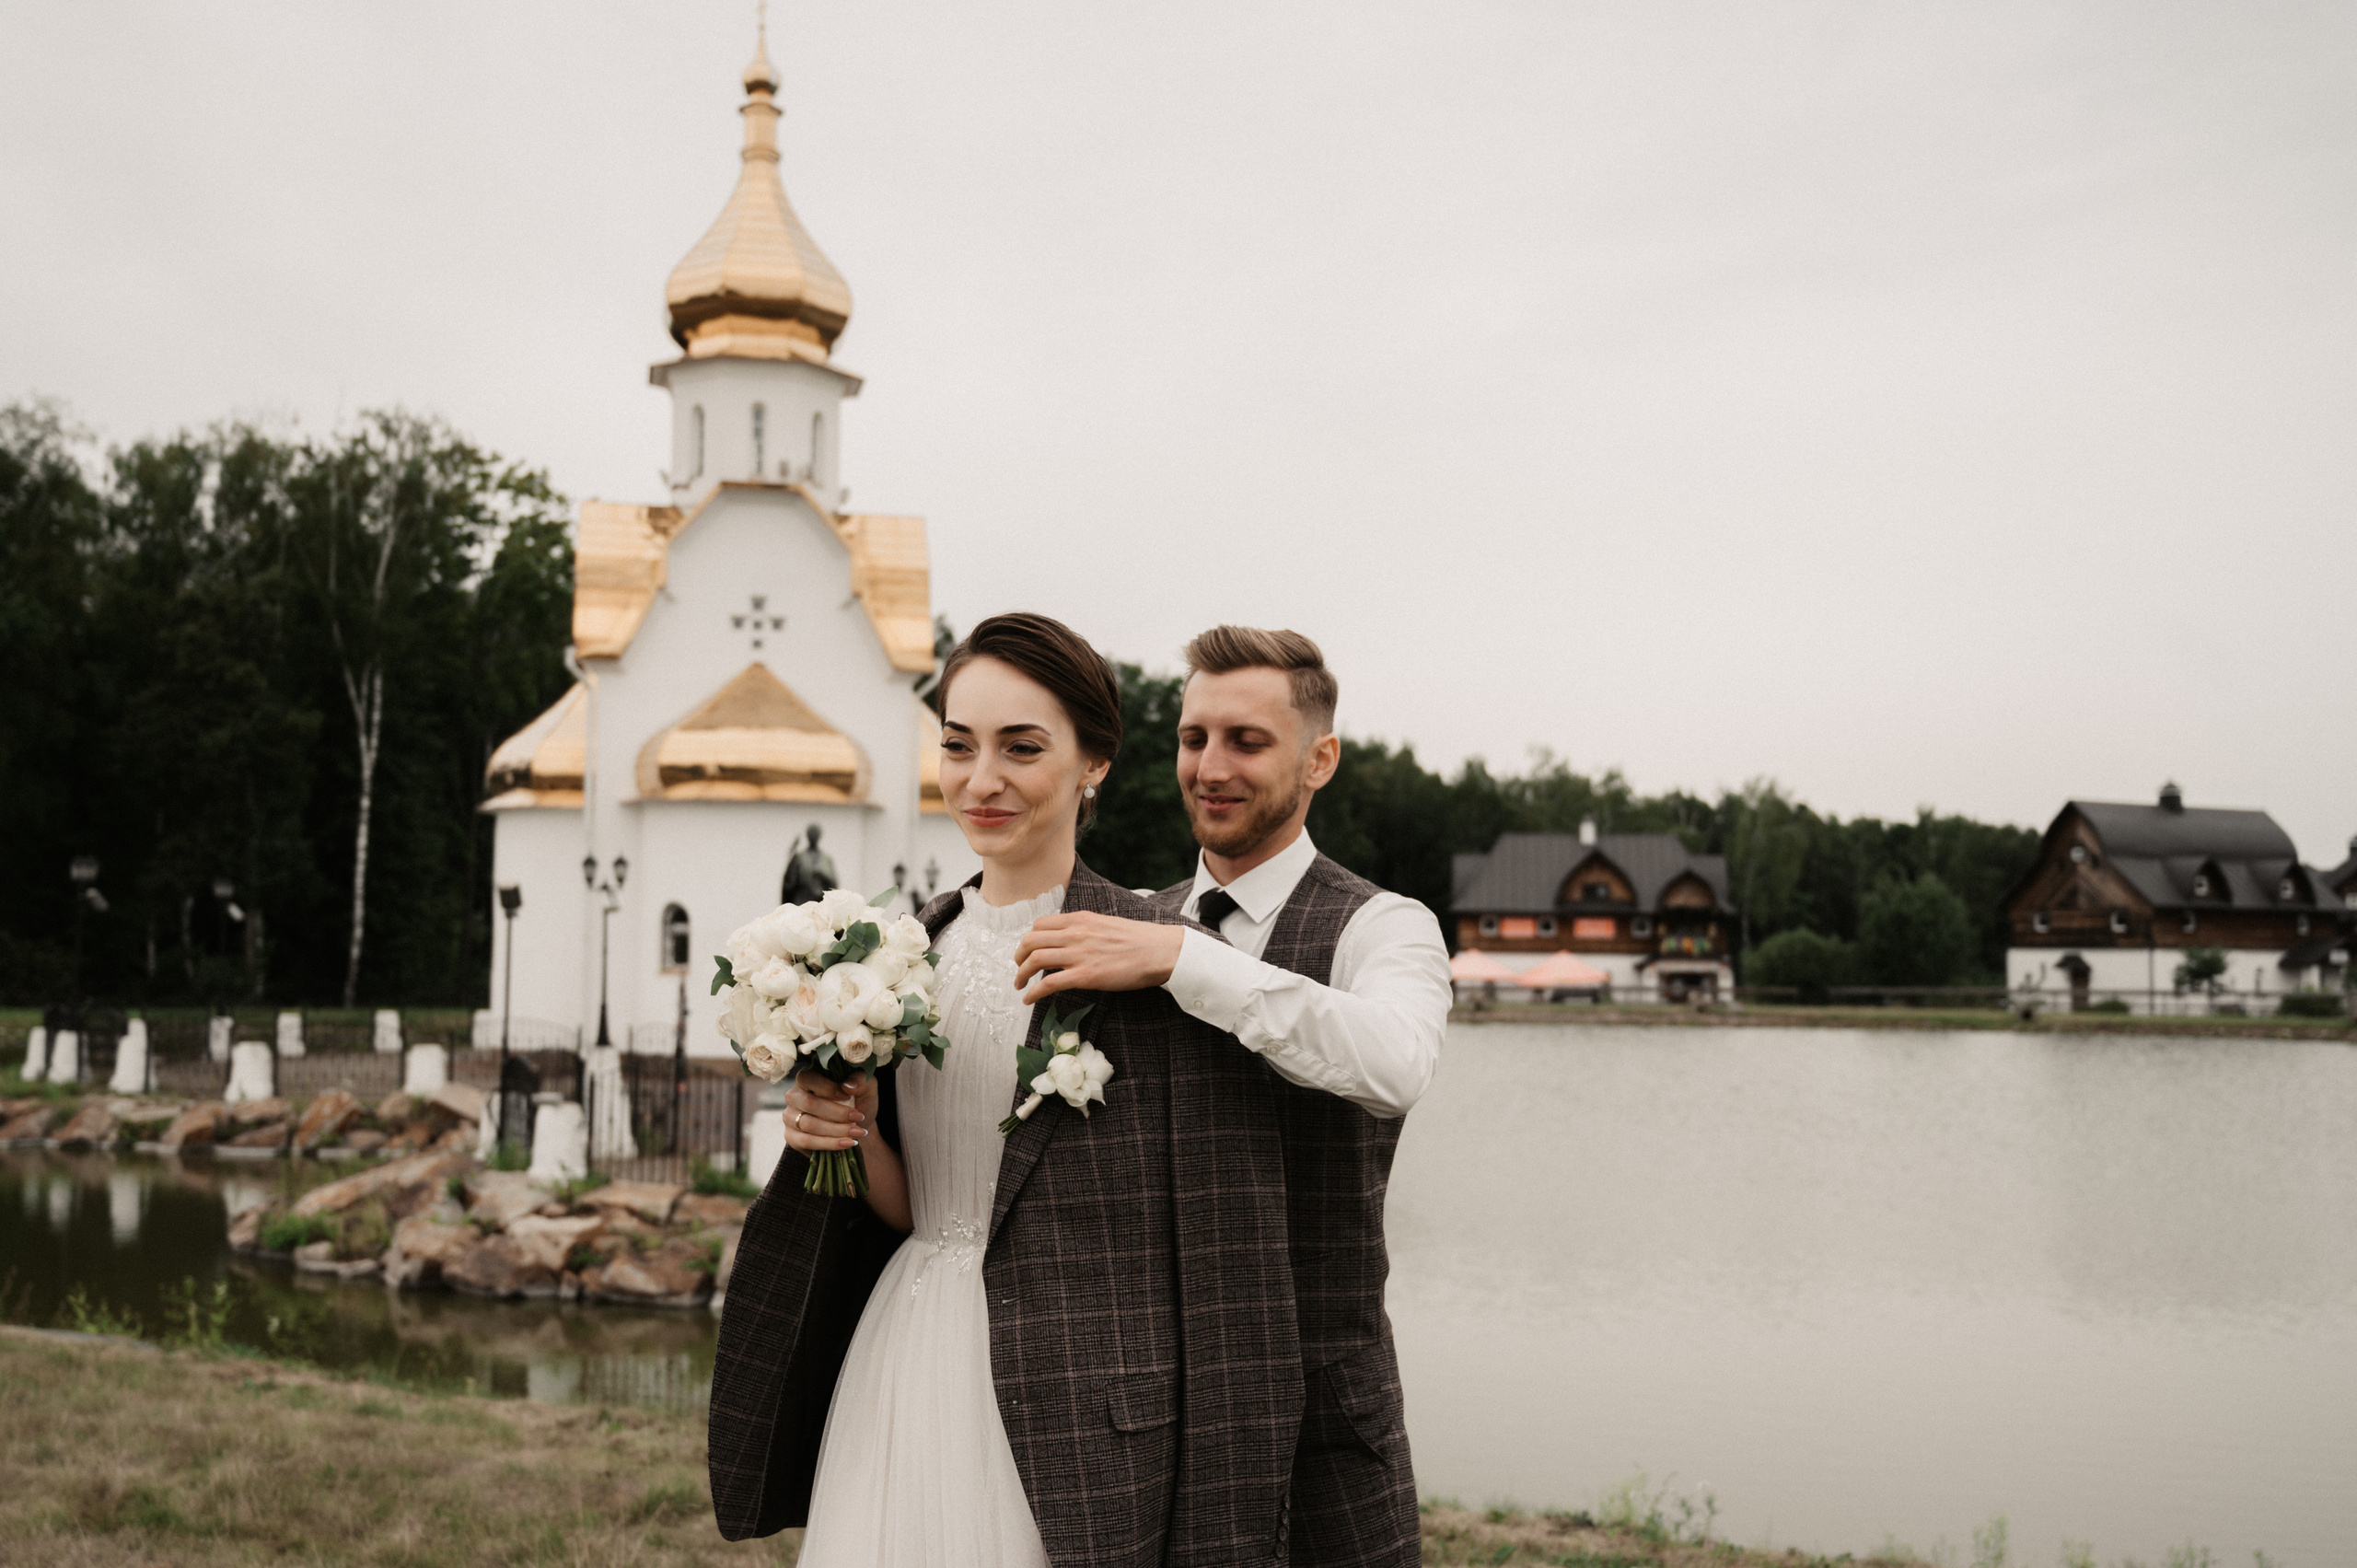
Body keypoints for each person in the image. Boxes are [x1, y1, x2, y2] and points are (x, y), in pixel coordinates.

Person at [708, 612, 1303, 1568]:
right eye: (958, 745)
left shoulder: (1162, 961)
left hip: (1080, 1402)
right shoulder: (894, 959)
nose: (981, 779)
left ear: (1094, 761)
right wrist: (846, 1130)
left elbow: (1220, 1260)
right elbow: (921, 1206)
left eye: (1021, 747)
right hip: (907, 1346)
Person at [1012, 624, 1452, 1568]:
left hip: (1325, 1416)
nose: (1210, 766)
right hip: (1146, 1419)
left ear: (1319, 759)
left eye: (1246, 740)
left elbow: (1396, 1064)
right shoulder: (1122, 922)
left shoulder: (1385, 926)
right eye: (1192, 737)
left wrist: (1185, 957)